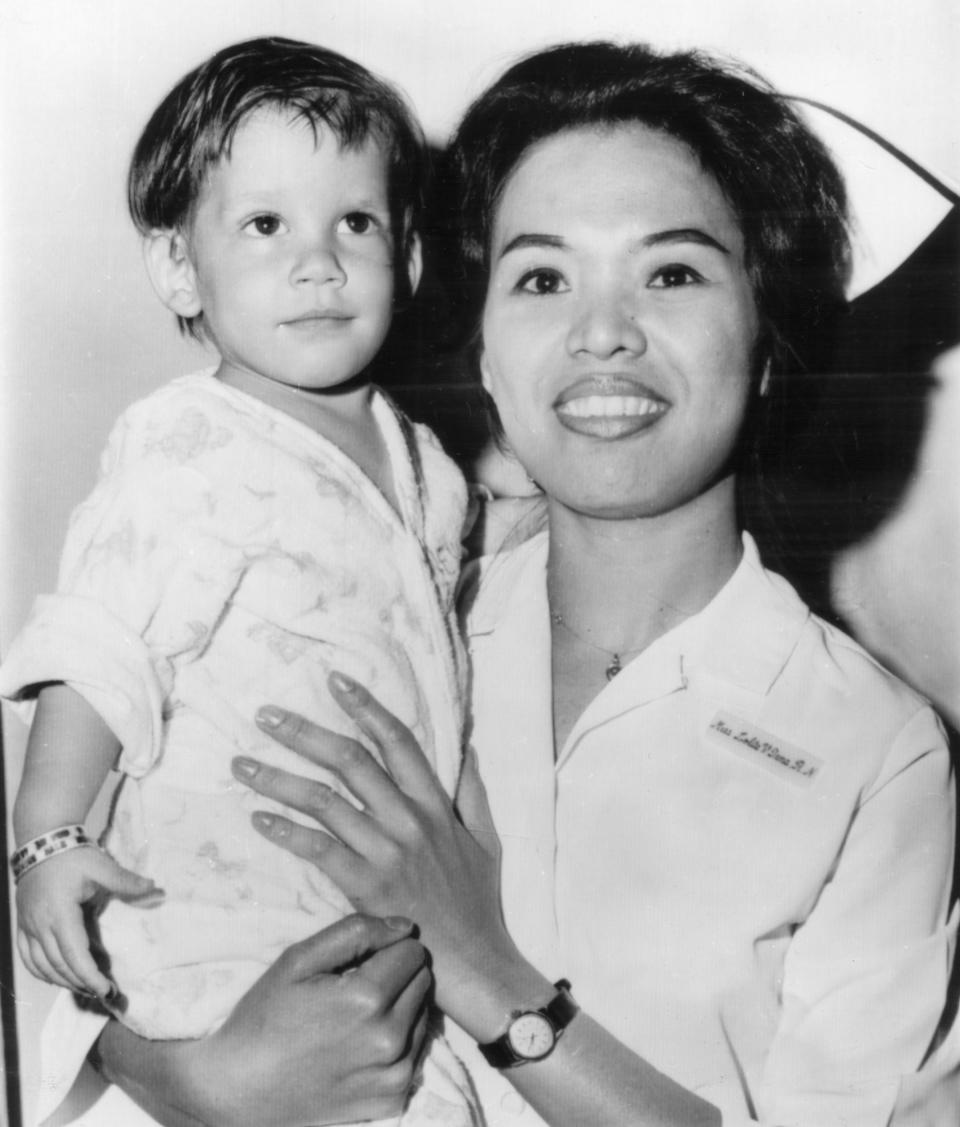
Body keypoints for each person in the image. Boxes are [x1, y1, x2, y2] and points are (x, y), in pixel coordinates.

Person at [29, 39, 960, 1127]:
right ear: (481, 345)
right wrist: (188, 1074)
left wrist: (489, 974)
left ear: (765, 343)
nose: (602, 333)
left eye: (672, 272)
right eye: (542, 277)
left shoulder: (877, 752)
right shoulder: (373, 608)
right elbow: (143, 855)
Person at [0, 36, 478, 1127]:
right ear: (180, 268)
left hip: (373, 924)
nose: (318, 260)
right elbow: (97, 644)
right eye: (265, 225)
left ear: (406, 255)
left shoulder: (431, 468)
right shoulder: (185, 444)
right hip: (211, 918)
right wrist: (50, 834)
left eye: (353, 222)